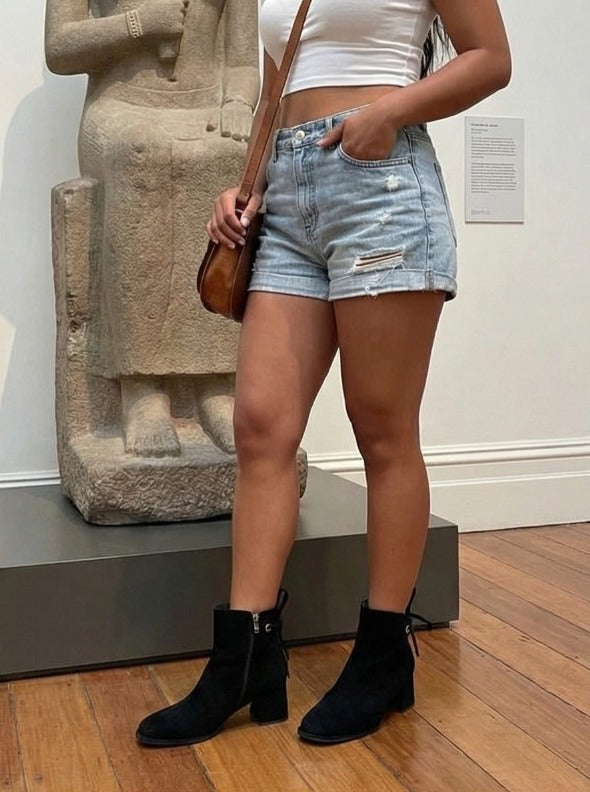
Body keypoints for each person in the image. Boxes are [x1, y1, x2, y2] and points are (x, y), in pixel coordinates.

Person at [136, 0, 511, 746]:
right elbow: (279, 85)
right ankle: (245, 658)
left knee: (383, 429)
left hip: (380, 186)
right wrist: (246, 182)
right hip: (286, 197)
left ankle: (383, 655)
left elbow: (491, 59)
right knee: (261, 426)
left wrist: (391, 112)